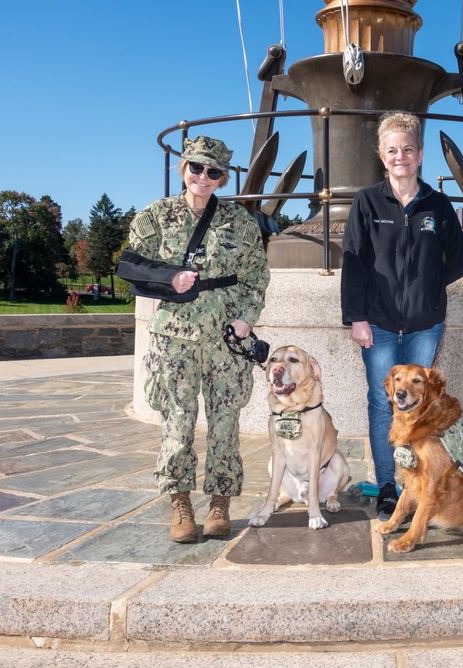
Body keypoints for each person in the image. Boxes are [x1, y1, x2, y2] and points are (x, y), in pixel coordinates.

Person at [124, 136, 269, 542]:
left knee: (225, 422)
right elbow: (132, 266)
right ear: (182, 168)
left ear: (222, 178)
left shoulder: (240, 222)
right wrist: (169, 276)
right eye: (196, 168)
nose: (202, 177)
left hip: (226, 337)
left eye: (213, 172)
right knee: (178, 422)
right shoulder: (155, 217)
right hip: (175, 336)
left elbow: (257, 275)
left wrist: (245, 318)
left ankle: (220, 503)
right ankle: (180, 503)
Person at [341, 112, 463, 521]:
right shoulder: (366, 201)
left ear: (419, 155)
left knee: (417, 406)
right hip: (377, 325)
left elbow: (462, 260)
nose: (401, 157)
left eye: (408, 150)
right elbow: (354, 264)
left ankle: (414, 485)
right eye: (393, 150)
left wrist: (430, 287)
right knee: (383, 406)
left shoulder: (438, 204)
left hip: (424, 326)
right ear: (383, 156)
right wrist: (356, 317)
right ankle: (386, 486)